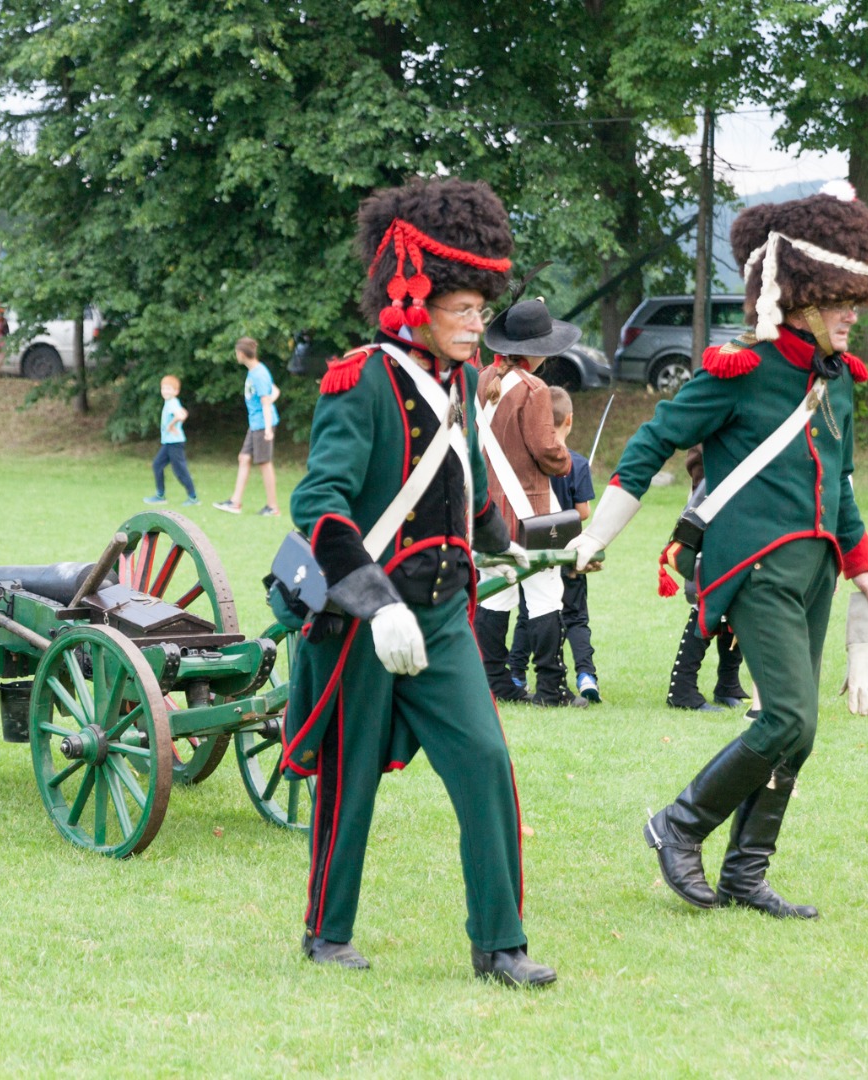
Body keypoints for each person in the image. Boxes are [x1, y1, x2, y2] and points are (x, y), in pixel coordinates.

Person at [568, 182, 868, 920]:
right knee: (787, 719)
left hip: (815, 570)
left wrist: (863, 565)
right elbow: (654, 440)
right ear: (802, 297)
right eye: (842, 299)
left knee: (798, 729)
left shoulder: (834, 380)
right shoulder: (740, 370)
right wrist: (598, 532)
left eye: (857, 301)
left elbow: (837, 482)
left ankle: (746, 872)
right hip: (756, 566)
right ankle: (679, 824)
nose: (852, 314)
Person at [281, 177, 553, 987]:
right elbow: (319, 505)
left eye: (481, 309)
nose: (479, 324)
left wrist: (511, 546)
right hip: (368, 619)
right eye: (465, 309)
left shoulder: (462, 381)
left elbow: (456, 484)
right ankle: (327, 933)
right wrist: (371, 600)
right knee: (348, 779)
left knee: (485, 765)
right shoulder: (358, 378)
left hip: (440, 615)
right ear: (418, 299)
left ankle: (499, 944)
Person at [471, 297, 582, 708]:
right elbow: (548, 453)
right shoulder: (535, 390)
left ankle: (494, 683)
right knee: (544, 594)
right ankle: (551, 688)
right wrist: (567, 457)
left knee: (494, 593)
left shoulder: (481, 380)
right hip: (529, 510)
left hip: (486, 515)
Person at [508, 385, 601, 702]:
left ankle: (515, 672)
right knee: (576, 616)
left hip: (535, 550)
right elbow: (583, 511)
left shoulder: (530, 461)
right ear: (569, 420)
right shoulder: (577, 463)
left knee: (527, 614)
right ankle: (586, 674)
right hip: (568, 552)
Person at [665, 444, 750, 712]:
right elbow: (700, 457)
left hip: (739, 506)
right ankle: (682, 688)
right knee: (709, 597)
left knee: (738, 594)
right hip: (715, 506)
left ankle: (728, 683)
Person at [214, 337, 280, 516]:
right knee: (244, 457)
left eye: (237, 352)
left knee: (265, 463)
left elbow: (266, 402)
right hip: (255, 423)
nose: (236, 355)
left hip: (262, 425)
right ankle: (235, 502)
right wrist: (268, 400)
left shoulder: (259, 374)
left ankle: (273, 507)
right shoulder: (255, 371)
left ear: (242, 354)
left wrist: (267, 429)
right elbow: (274, 391)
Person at [145, 374, 199, 505]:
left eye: (169, 389)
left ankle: (193, 497)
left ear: (176, 391)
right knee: (157, 465)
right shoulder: (172, 402)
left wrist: (171, 424)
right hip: (169, 442)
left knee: (180, 470)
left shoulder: (172, 403)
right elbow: (184, 413)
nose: (165, 391)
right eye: (164, 388)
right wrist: (176, 421)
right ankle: (160, 495)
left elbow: (180, 415)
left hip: (174, 442)